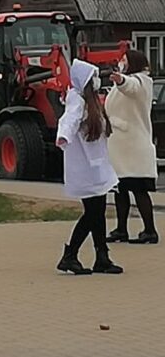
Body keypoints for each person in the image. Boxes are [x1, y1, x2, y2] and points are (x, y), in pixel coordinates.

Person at [56, 59, 123, 276]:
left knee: (98, 211)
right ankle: (70, 255)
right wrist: (63, 136)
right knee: (93, 213)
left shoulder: (90, 101)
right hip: (85, 168)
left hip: (96, 166)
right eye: (93, 77)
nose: (97, 81)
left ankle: (101, 257)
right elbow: (69, 120)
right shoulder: (77, 100)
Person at [105, 49, 158, 245]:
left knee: (139, 190)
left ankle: (150, 231)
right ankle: (121, 229)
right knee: (121, 190)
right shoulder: (129, 81)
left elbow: (130, 87)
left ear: (133, 62)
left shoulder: (141, 81)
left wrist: (120, 80)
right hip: (121, 146)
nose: (120, 62)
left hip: (133, 147)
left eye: (124, 59)